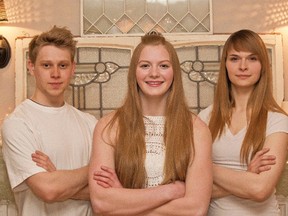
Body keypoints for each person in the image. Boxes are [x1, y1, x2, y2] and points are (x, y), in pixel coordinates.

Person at [88, 31, 213, 215]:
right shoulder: (108, 126)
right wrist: (171, 191)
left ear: (174, 72)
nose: (154, 73)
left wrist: (124, 198)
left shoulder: (197, 129)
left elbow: (195, 209)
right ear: (134, 72)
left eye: (163, 66)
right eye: (145, 65)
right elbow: (102, 204)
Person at [1, 26, 97, 216]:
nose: (55, 74)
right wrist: (93, 170)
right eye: (46, 65)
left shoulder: (90, 123)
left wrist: (57, 177)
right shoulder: (18, 124)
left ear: (73, 68)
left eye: (63, 65)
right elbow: (48, 191)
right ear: (31, 67)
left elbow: (110, 191)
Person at [198, 29, 288, 215]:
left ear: (263, 65)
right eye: (235, 58)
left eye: (252, 58)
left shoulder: (277, 121)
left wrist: (205, 167)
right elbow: (192, 192)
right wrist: (247, 176)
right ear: (225, 65)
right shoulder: (204, 118)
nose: (243, 66)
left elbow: (260, 190)